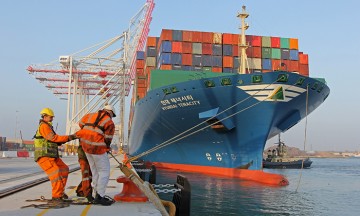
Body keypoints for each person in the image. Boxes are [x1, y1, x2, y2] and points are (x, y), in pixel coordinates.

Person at [33, 108, 77, 201]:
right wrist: (70, 137)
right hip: (44, 155)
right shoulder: (44, 126)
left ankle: (60, 192)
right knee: (55, 173)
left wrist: (61, 141)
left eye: (52, 117)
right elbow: (53, 138)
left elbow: (53, 140)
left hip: (51, 155)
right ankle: (56, 196)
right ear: (44, 116)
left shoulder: (49, 126)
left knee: (64, 169)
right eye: (50, 117)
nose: (52, 119)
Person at [76, 104, 116, 206]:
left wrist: (89, 133)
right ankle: (100, 196)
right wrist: (106, 147)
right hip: (98, 149)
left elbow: (80, 124)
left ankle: (95, 194)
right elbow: (108, 139)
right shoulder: (109, 122)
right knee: (104, 172)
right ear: (110, 112)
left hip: (86, 147)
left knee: (95, 172)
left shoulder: (89, 115)